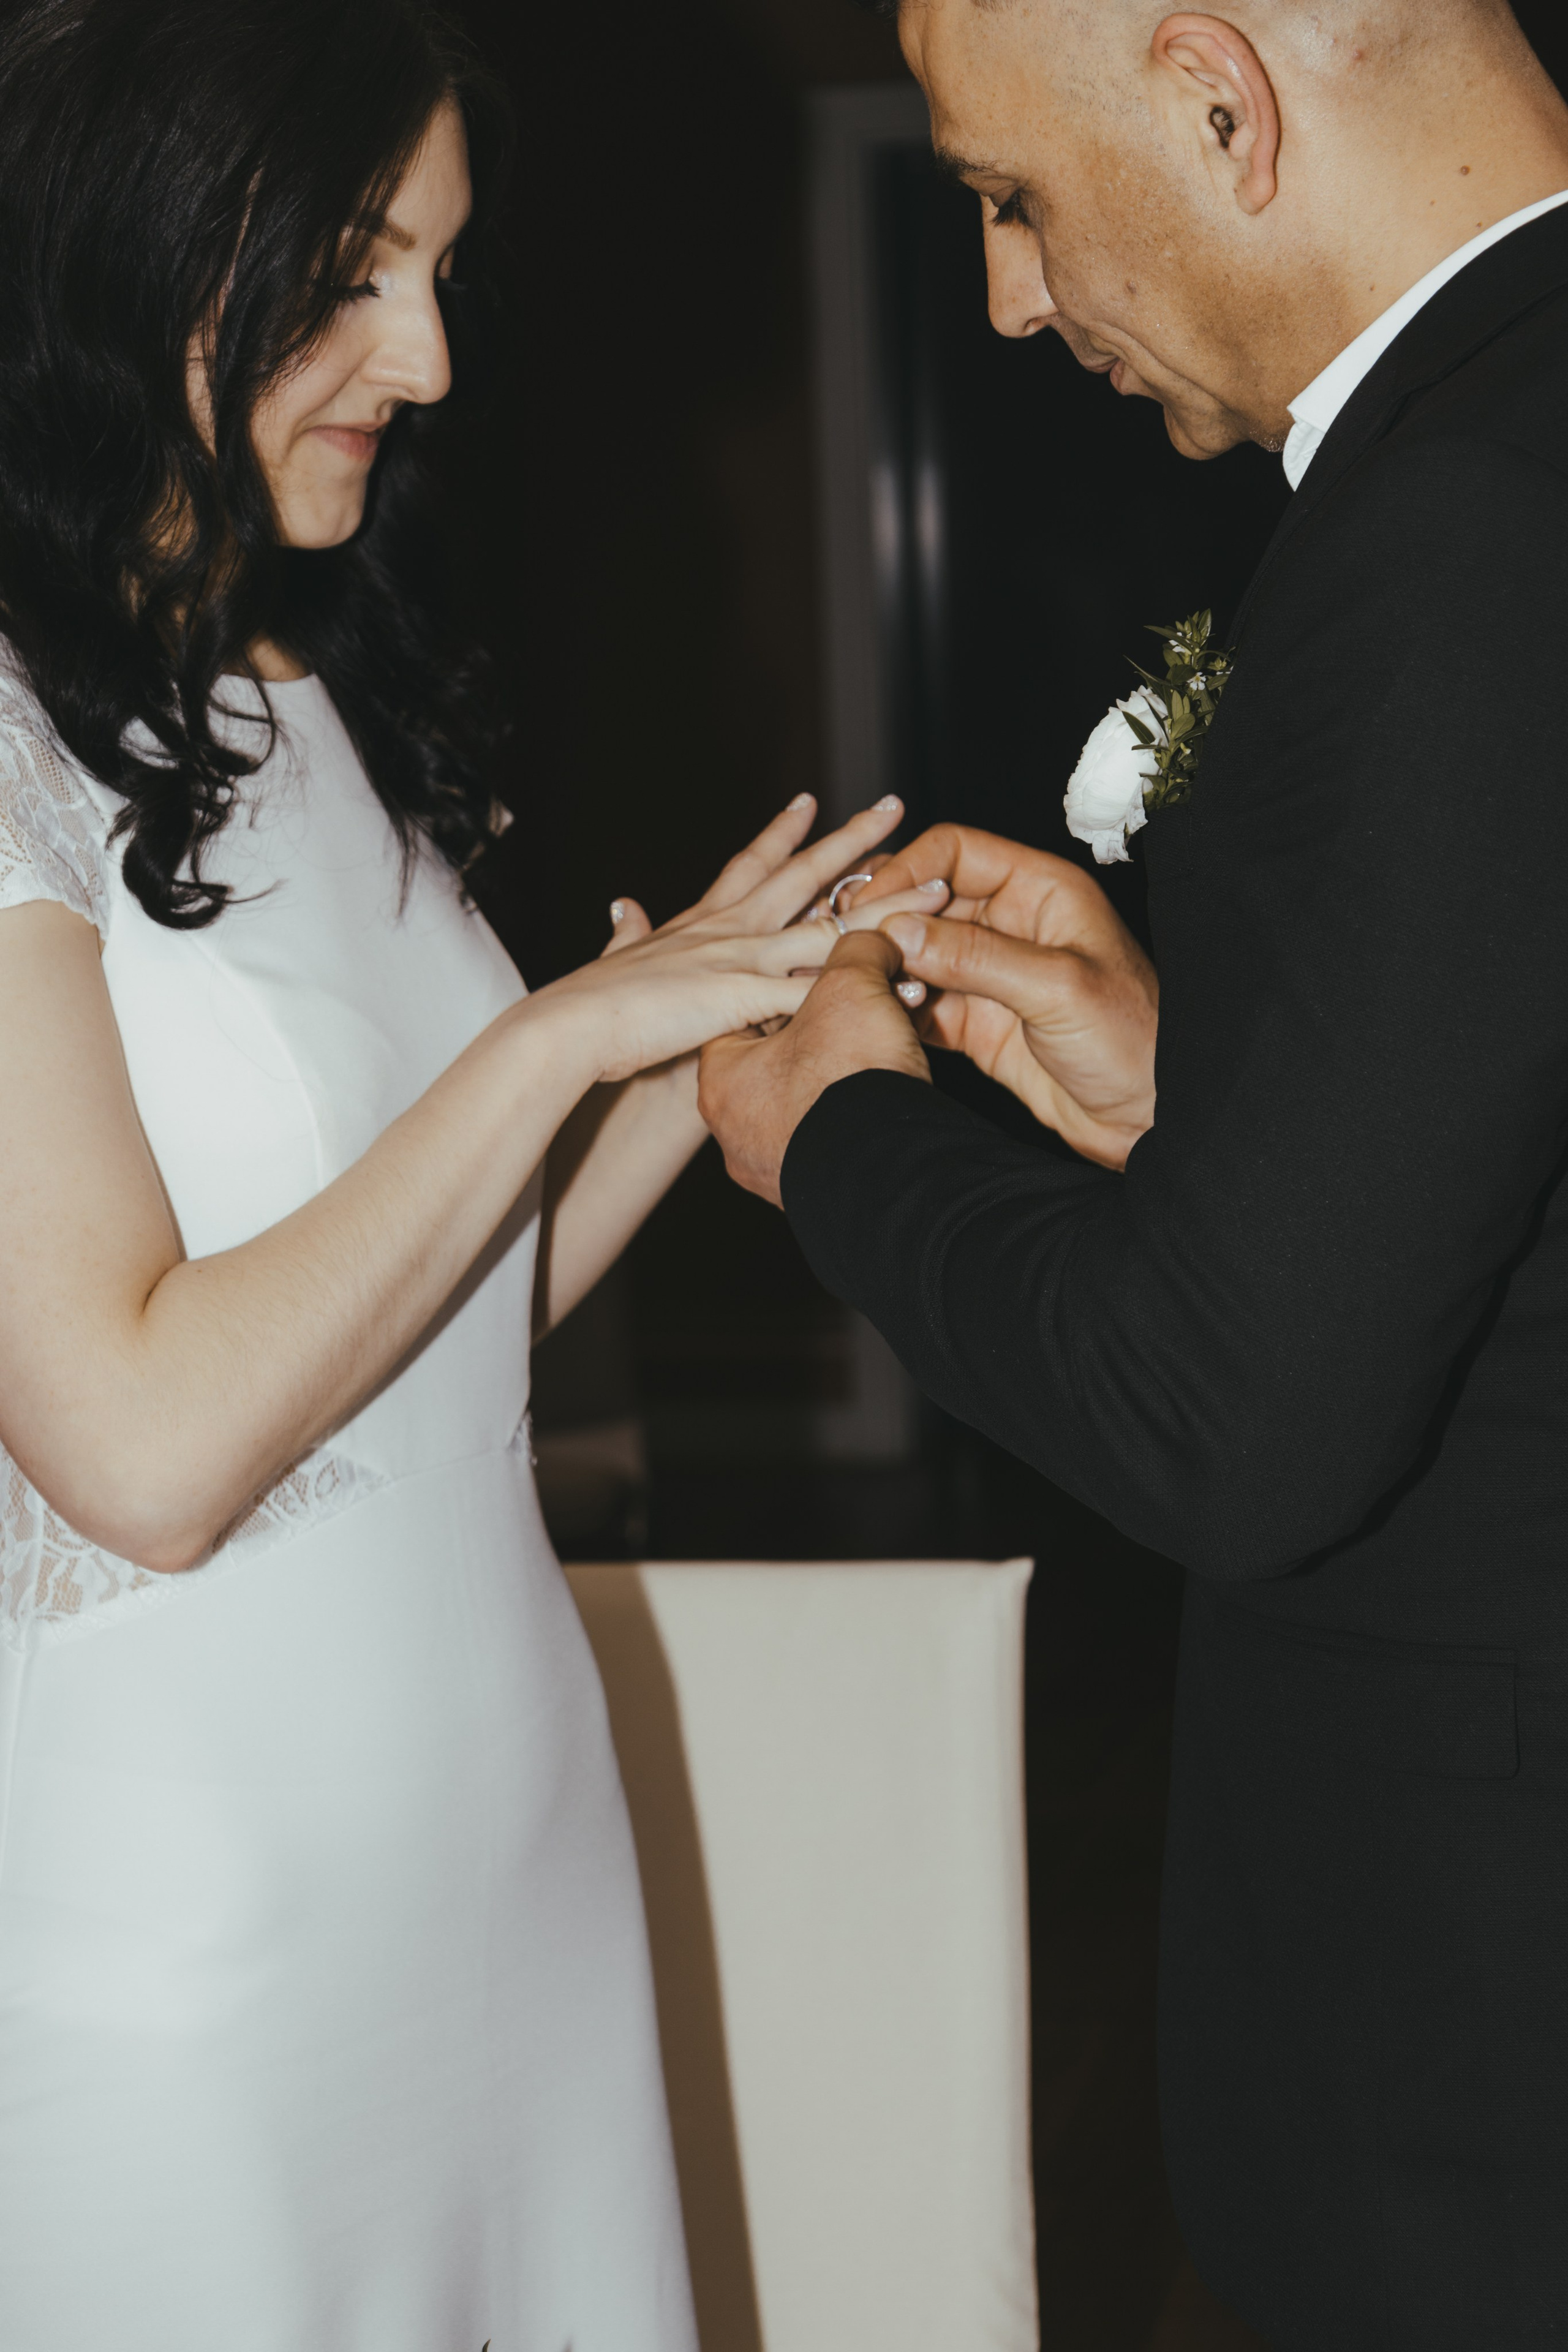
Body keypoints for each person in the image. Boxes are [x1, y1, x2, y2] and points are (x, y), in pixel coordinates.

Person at [0, 4, 944, 2344]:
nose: (424, 352)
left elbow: (426, 1348)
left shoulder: (287, 689)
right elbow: (133, 1449)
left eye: (440, 267)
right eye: (355, 268)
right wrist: (550, 1048)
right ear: (143, 245)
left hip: (512, 1851)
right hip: (211, 1940)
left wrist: (704, 1026)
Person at [699, 1, 1568, 2342]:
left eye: (1006, 196)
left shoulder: (1468, 521)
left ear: (1217, 94)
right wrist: (1204, 1086)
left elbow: (1231, 1418)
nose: (1004, 292)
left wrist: (846, 1139)